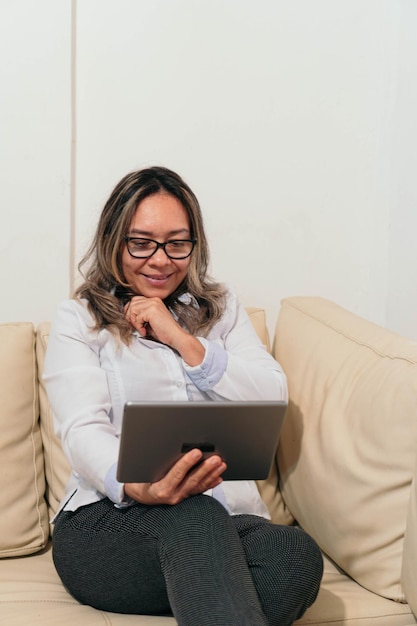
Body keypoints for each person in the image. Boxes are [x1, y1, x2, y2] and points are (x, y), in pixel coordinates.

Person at [44, 166, 323, 626]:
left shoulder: (222, 311)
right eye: (141, 243)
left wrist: (183, 340)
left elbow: (272, 395)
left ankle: (206, 595)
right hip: (109, 525)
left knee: (294, 554)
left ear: (194, 245)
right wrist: (142, 487)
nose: (160, 260)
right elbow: (82, 429)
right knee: (194, 515)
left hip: (228, 525)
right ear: (114, 241)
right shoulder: (79, 319)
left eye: (177, 243)